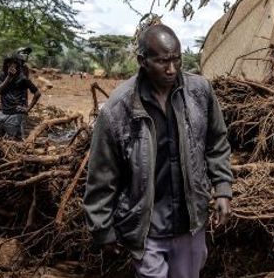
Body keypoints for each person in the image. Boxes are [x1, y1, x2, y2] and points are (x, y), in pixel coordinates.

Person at [84, 25, 234, 278]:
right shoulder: (118, 108)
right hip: (146, 228)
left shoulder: (199, 92)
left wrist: (222, 187)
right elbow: (103, 171)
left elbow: (216, 142)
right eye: (163, 61)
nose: (172, 69)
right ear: (143, 61)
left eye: (177, 59)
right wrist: (101, 226)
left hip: (190, 222)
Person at [0, 47, 42, 154]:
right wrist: (0, 102)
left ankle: (16, 157)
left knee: (15, 141)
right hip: (3, 110)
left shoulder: (24, 71)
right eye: (23, 53)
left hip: (17, 111)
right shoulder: (3, 73)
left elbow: (28, 91)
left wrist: (26, 108)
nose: (25, 56)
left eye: (27, 54)